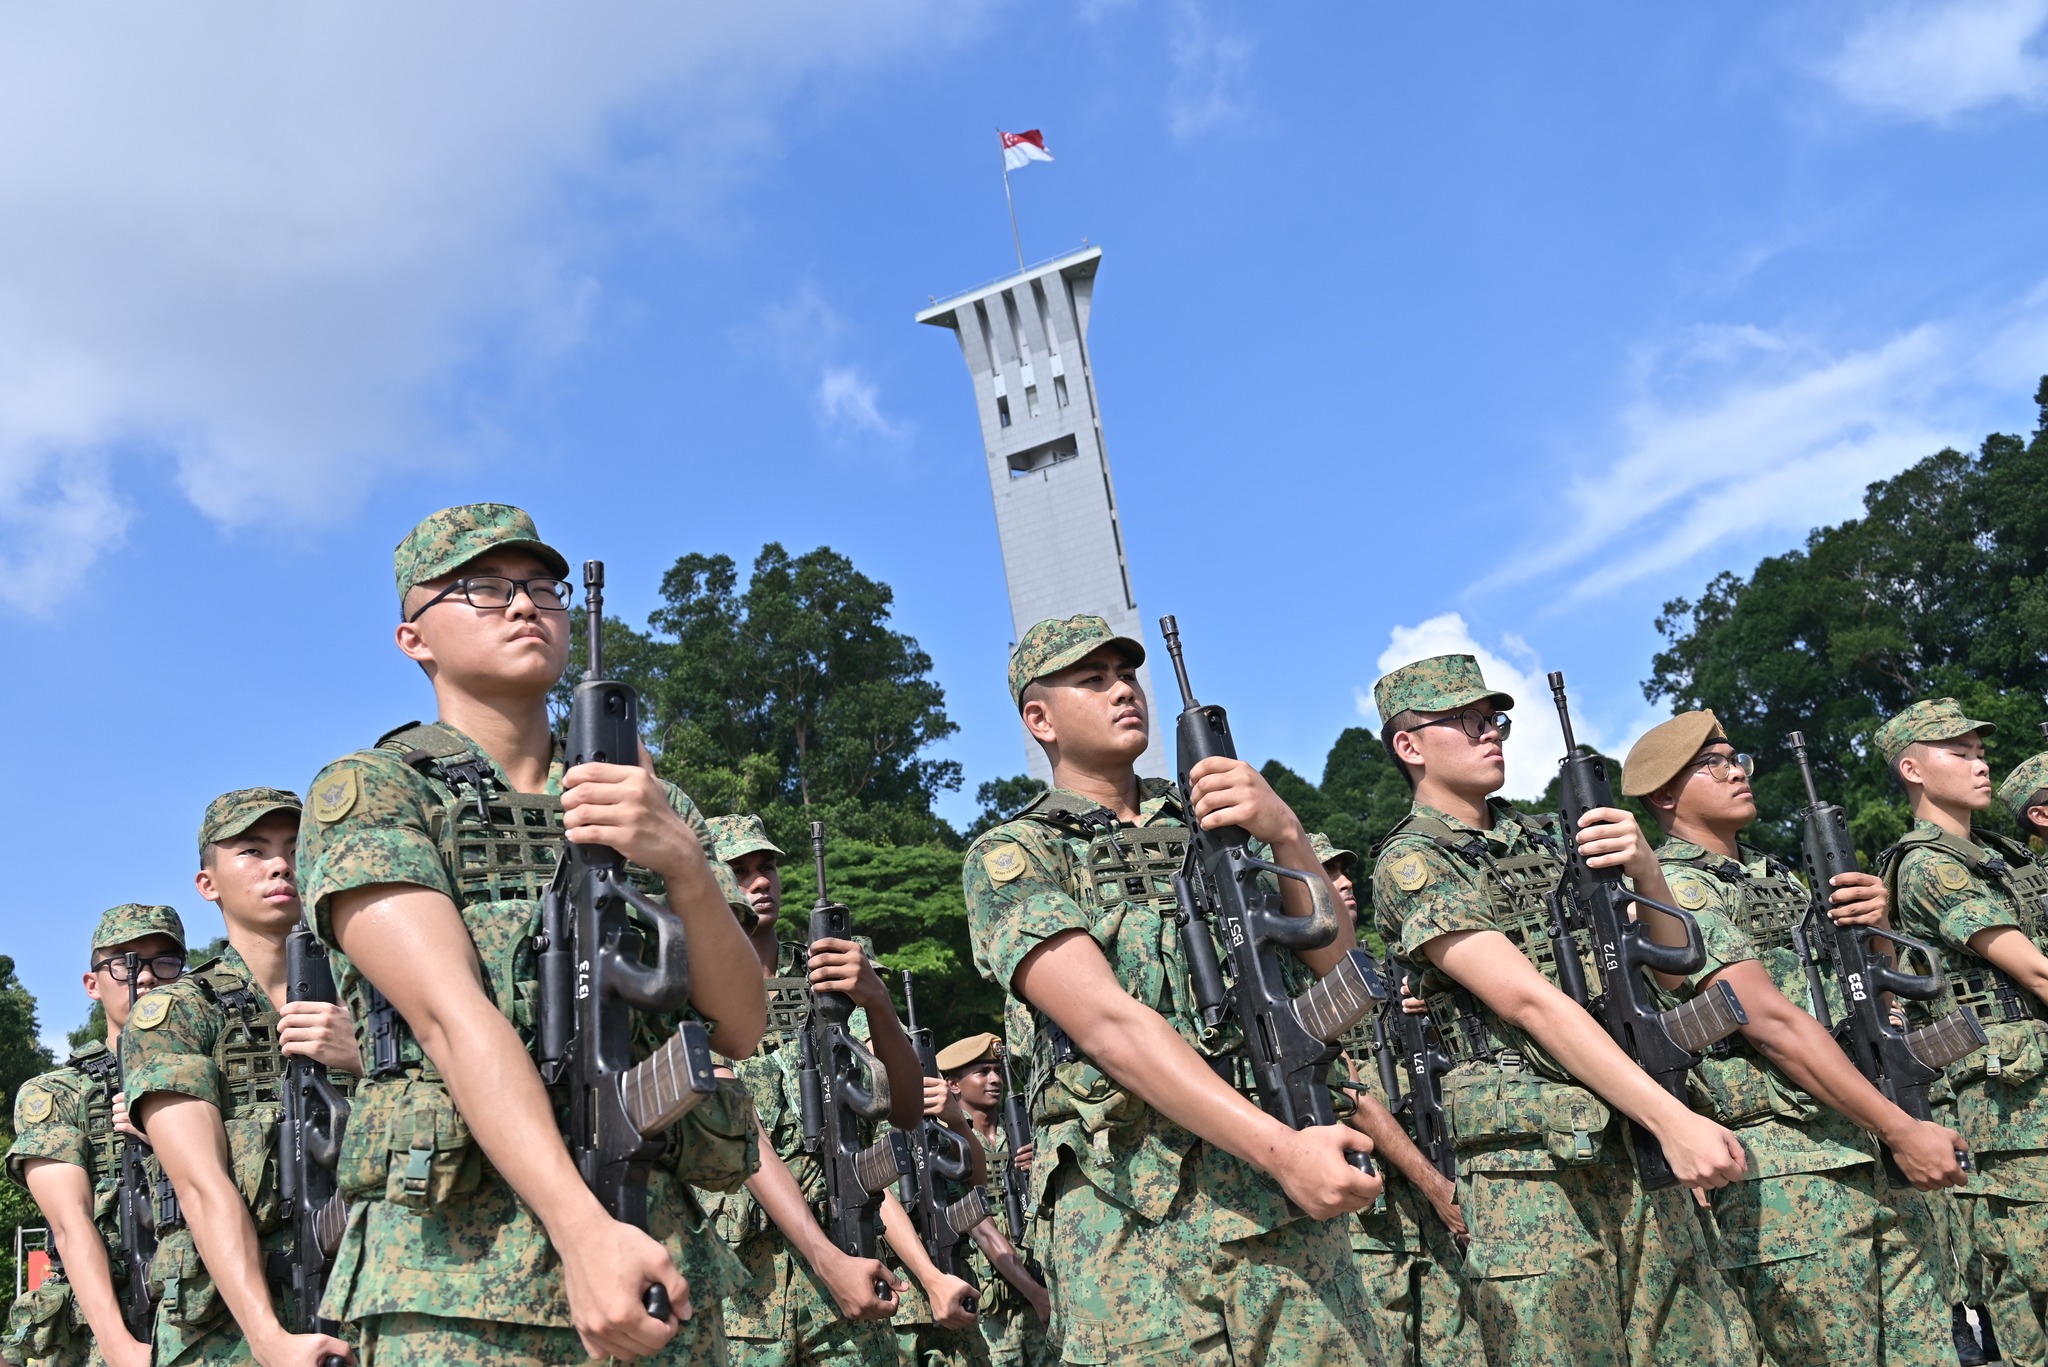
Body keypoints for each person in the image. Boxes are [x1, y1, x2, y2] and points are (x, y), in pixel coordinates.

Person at [295, 503, 767, 1365]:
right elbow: (448, 1015)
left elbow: (740, 1025)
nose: (524, 606)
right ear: (414, 638)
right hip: (458, 1286)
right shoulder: (377, 793)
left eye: (542, 588)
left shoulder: (642, 793)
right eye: (482, 588)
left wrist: (687, 865)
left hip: (657, 1260)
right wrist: (582, 1232)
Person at [962, 614, 1381, 1366]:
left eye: (1128, 674)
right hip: (1132, 1220)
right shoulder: (1017, 854)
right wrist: (1281, 1150)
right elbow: (1108, 1025)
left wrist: (1286, 831)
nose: (1124, 690)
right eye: (1093, 680)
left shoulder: (1216, 823)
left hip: (1282, 1206)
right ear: (1039, 718)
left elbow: (1338, 964)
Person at [1368, 654, 1751, 1367]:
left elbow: (1673, 967)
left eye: (1495, 718)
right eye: (1465, 720)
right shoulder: (1412, 862)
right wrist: (1673, 1120)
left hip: (1629, 1141)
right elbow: (1528, 1000)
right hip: (1531, 1169)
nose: (1492, 734)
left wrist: (1646, 868)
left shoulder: (1551, 839)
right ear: (1409, 744)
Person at [1623, 711, 1967, 1366]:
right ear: (1665, 794)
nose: (1735, 771)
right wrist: (1901, 1128)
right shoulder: (1678, 889)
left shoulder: (1774, 879)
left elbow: (1865, 1012)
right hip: (1786, 1172)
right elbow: (1773, 1024)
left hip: (1863, 1145)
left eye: (1737, 758)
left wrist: (1875, 930)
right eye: (1712, 763)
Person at [123, 790, 362, 1367]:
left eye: (295, 848)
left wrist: (362, 1057)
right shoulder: (178, 1014)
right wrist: (269, 1338)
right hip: (231, 1332)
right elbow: (201, 1183)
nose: (281, 865)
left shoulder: (373, 989)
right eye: (252, 851)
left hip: (374, 1289)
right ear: (208, 884)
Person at [703, 812, 918, 1367]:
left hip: (849, 1255)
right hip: (748, 1288)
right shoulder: (696, 984)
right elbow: (743, 1134)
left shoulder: (828, 973)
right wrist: (824, 1260)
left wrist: (876, 1001)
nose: (758, 882)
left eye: (766, 867)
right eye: (739, 870)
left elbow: (905, 1106)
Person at [1875, 699, 2048, 1367]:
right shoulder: (1930, 865)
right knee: (2028, 1289)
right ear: (1913, 768)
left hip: (2027, 1098)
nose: (1980, 763)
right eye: (1960, 752)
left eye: (1981, 750)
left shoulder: (1995, 854)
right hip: (2006, 1114)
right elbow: (2030, 966)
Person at [1310, 833, 1480, 1367]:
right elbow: (1353, 1098)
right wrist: (1438, 1188)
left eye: (1344, 872)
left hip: (1429, 1199)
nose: (1342, 883)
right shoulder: (1303, 989)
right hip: (1370, 1220)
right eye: (1324, 874)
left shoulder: (1392, 972)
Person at [5, 904, 188, 1367]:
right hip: (109, 1333)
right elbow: (71, 1223)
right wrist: (118, 1346)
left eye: (163, 962)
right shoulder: (57, 1092)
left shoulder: (225, 1080)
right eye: (124, 964)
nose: (144, 978)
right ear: (92, 984)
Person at [936, 1032, 1051, 1367]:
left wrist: (1042, 1166)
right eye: (983, 1071)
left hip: (1042, 1292)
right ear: (953, 1084)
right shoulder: (948, 1147)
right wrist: (1036, 1294)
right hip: (992, 1315)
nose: (995, 1079)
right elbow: (978, 1226)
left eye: (997, 1070)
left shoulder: (1027, 1134)